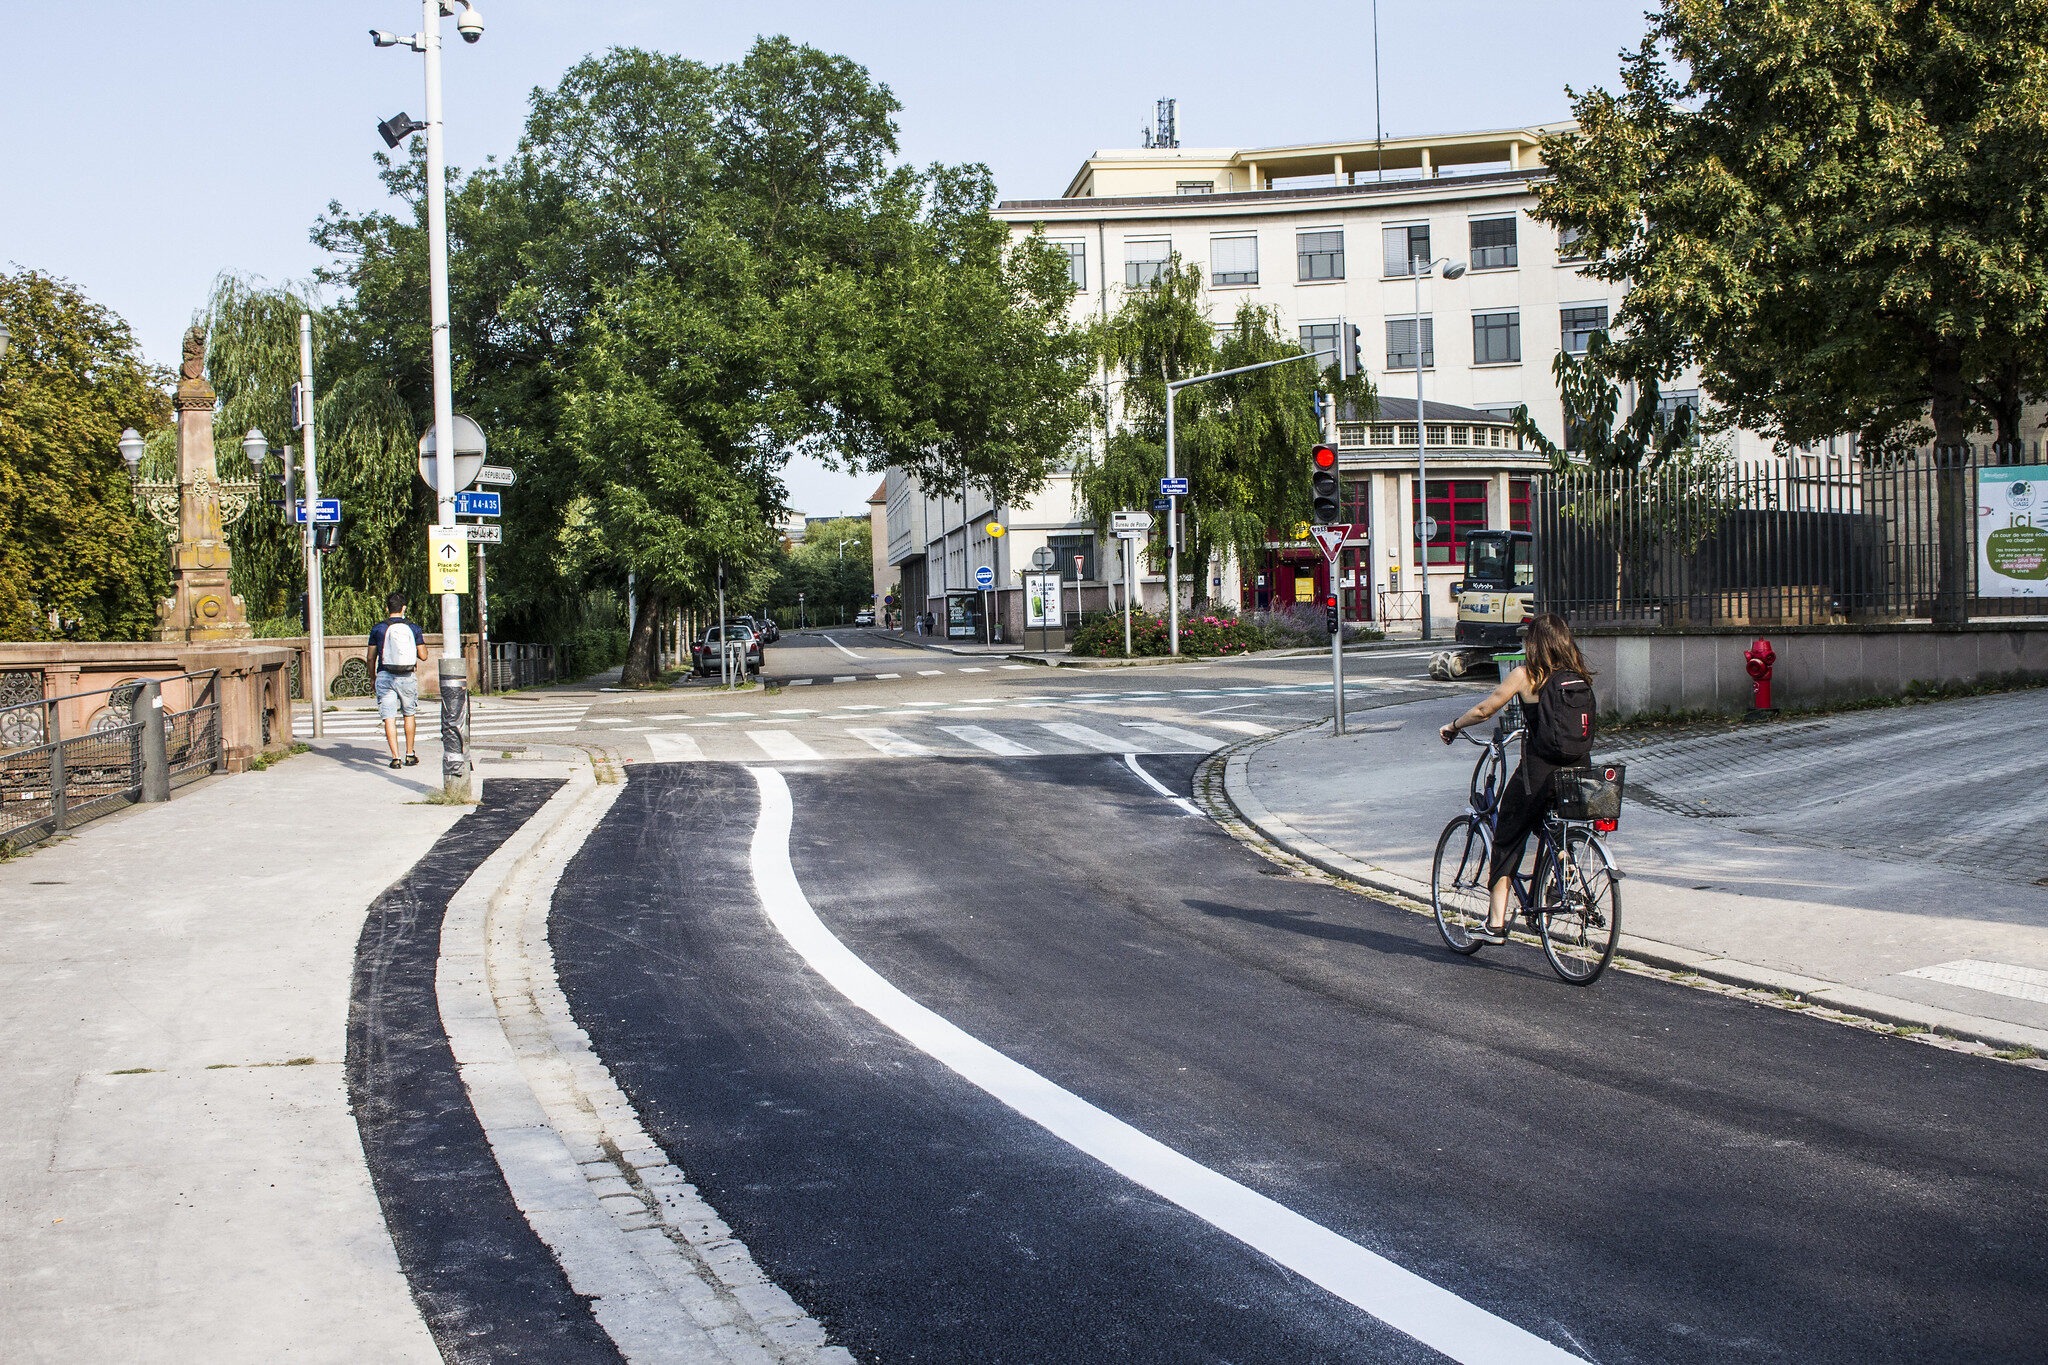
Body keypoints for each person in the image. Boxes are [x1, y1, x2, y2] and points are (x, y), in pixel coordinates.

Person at [1437, 613, 1597, 943]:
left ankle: (1495, 923)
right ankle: (1560, 882)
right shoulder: (1577, 675)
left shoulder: (1527, 675)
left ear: (1534, 644)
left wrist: (1454, 725)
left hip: (1539, 772)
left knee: (1508, 835)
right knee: (1556, 826)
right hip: (1580, 769)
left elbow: (1486, 709)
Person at [366, 591, 428, 771]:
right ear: (404, 608)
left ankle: (395, 758)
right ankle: (410, 754)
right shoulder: (413, 628)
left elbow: (370, 658)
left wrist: (372, 678)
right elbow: (423, 656)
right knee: (409, 714)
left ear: (387, 608)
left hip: (385, 676)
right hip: (407, 676)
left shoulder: (378, 628)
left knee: (389, 717)